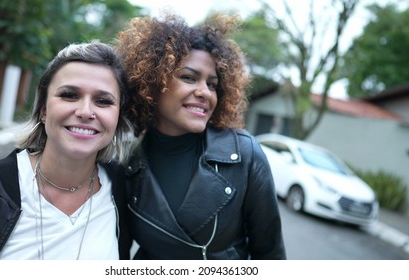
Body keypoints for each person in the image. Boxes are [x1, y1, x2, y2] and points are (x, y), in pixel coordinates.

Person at [115, 12, 286, 260]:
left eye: (212, 84)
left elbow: (271, 255)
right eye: (189, 77)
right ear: (153, 82)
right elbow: (119, 254)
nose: (205, 92)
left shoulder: (245, 155)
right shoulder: (124, 164)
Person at [0, 41, 132, 260]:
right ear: (43, 110)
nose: (85, 112)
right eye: (69, 95)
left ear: (117, 117)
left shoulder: (125, 190)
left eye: (103, 101)